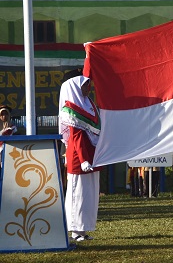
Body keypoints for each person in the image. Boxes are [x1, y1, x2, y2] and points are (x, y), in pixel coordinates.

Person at [59, 75, 102, 242]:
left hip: (92, 157)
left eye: (88, 85)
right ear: (75, 88)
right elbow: (76, 137)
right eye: (84, 85)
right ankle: (75, 230)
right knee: (78, 195)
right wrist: (84, 159)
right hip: (79, 159)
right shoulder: (71, 109)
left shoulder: (90, 105)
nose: (88, 88)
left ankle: (84, 230)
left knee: (89, 196)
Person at [0, 105, 17, 169]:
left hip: (7, 152)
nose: (4, 116)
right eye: (2, 114)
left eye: (6, 114)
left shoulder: (13, 128)